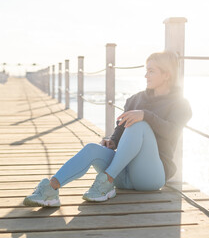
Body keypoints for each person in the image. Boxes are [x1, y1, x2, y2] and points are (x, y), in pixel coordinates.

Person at [23, 50, 192, 207]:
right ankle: (50, 190)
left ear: (167, 75)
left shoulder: (180, 104)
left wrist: (145, 115)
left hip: (150, 177)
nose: (146, 75)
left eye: (151, 71)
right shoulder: (135, 99)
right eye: (146, 70)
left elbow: (172, 131)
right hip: (123, 175)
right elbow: (120, 129)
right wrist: (112, 141)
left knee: (140, 124)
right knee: (92, 149)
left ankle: (106, 180)